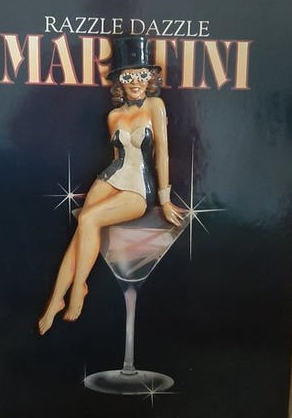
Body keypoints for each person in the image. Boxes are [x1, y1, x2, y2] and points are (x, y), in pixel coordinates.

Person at [38, 36, 184, 335]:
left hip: (138, 187)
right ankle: (54, 301)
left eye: (142, 75)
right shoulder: (113, 115)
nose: (136, 82)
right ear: (119, 81)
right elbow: (118, 158)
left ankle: (78, 288)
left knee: (88, 219)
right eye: (128, 76)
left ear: (150, 78)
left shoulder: (155, 105)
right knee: (80, 234)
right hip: (110, 177)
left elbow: (162, 153)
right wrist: (107, 186)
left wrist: (165, 198)